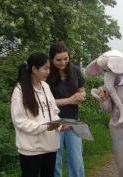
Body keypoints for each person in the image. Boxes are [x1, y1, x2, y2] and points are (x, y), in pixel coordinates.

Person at [10, 52, 61, 177]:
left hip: (50, 147)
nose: (48, 72)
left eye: (49, 68)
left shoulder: (46, 87)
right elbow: (20, 121)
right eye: (45, 68)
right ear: (34, 69)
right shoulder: (20, 90)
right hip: (31, 150)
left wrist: (59, 125)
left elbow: (54, 112)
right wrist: (46, 126)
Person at [46, 41, 86, 177]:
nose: (63, 62)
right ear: (51, 59)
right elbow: (45, 103)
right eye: (58, 60)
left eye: (66, 58)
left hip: (74, 121)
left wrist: (81, 96)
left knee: (76, 161)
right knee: (54, 162)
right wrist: (69, 100)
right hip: (53, 122)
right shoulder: (46, 74)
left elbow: (82, 90)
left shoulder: (75, 71)